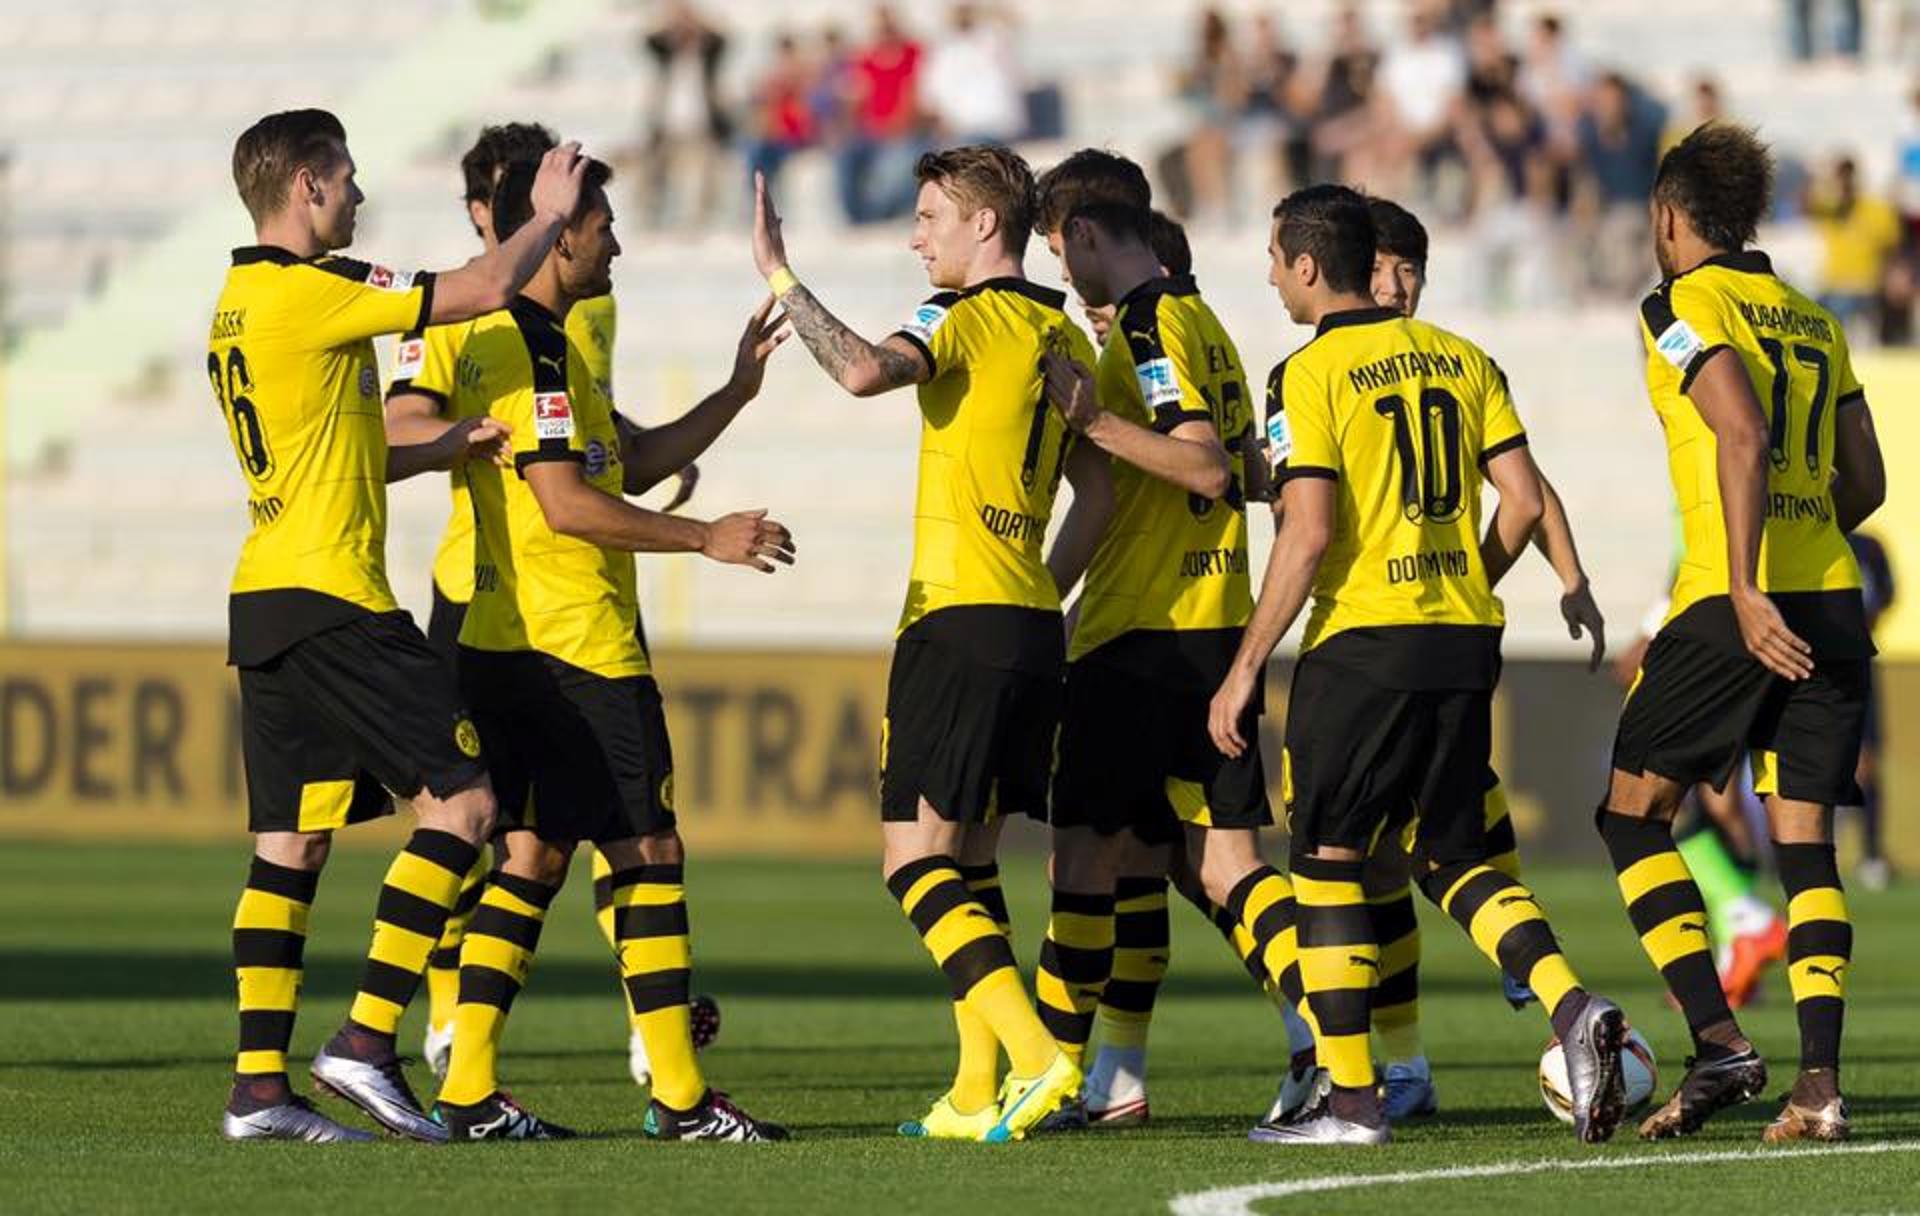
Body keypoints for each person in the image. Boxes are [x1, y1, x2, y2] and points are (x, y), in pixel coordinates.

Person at [1210, 183, 1631, 1145]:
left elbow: (1307, 532)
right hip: (1463, 639)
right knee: (1450, 855)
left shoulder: (1305, 374)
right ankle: (1573, 1011)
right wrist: (1460, 583)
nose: (1271, 275)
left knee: (1327, 864)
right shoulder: (1463, 356)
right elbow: (1522, 499)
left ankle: (1353, 1101)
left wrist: (1243, 669)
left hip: (1363, 641)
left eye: (1276, 258)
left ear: (1310, 266)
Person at [211, 108, 586, 1143]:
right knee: (466, 805)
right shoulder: (312, 289)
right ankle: (367, 1040)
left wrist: (445, 444)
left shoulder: (238, 305)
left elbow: (345, 452)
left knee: (290, 843)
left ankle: (257, 1091)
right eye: (348, 176)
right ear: (307, 188)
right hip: (337, 596)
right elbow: (479, 290)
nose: (359, 193)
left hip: (267, 593)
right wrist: (547, 216)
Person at [429, 156, 795, 1141]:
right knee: (646, 850)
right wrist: (705, 536)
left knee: (536, 856)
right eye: (602, 225)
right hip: (575, 643)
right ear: (555, 233)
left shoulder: (528, 343)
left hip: (511, 639)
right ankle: (680, 1095)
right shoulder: (534, 348)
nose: (617, 243)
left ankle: (466, 1088)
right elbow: (565, 502)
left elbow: (623, 460)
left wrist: (734, 393)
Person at [751, 146, 1095, 1142]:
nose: (916, 235)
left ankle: (1038, 1059)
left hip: (959, 617)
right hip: (1026, 619)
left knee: (912, 861)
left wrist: (780, 272)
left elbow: (863, 370)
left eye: (931, 216)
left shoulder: (963, 316)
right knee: (974, 859)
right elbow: (1103, 495)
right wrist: (1032, 587)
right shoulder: (1061, 333)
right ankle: (975, 1087)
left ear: (986, 226)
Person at [385, 122, 706, 1088]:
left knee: (560, 837)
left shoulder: (579, 316)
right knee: (492, 826)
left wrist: (659, 440)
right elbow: (409, 424)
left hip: (585, 582)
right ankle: (434, 1023)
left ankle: (636, 1036)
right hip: (486, 590)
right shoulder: (446, 311)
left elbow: (587, 429)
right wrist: (479, 439)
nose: (488, 216)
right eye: (483, 200)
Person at [1598, 122, 1884, 1143]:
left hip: (1736, 600)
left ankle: (1720, 1041)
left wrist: (1749, 583)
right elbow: (1869, 480)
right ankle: (1818, 1086)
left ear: (1670, 218)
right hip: (1834, 601)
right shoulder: (1813, 318)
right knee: (1806, 845)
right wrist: (1803, 553)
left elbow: (1741, 430)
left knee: (1632, 816)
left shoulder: (1681, 303)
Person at [1023, 151, 1269, 1129]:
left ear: (1084, 232)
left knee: (1084, 860)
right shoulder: (1202, 321)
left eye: (1054, 246)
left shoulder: (1149, 325)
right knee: (1181, 864)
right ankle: (1313, 1051)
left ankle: (1044, 1072)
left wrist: (1094, 420)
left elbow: (1208, 470)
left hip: (1144, 635)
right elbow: (1254, 469)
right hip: (1210, 627)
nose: (1058, 269)